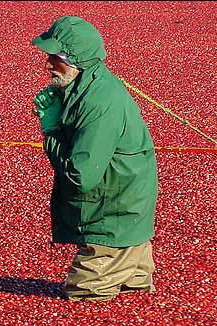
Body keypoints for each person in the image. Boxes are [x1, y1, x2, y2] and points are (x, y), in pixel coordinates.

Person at [31, 16, 158, 302]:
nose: (49, 63)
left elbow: (81, 175)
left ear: (77, 60)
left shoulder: (99, 102)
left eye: (56, 57)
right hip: (125, 206)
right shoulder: (84, 87)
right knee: (133, 295)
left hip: (115, 213)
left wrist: (51, 129)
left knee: (84, 294)